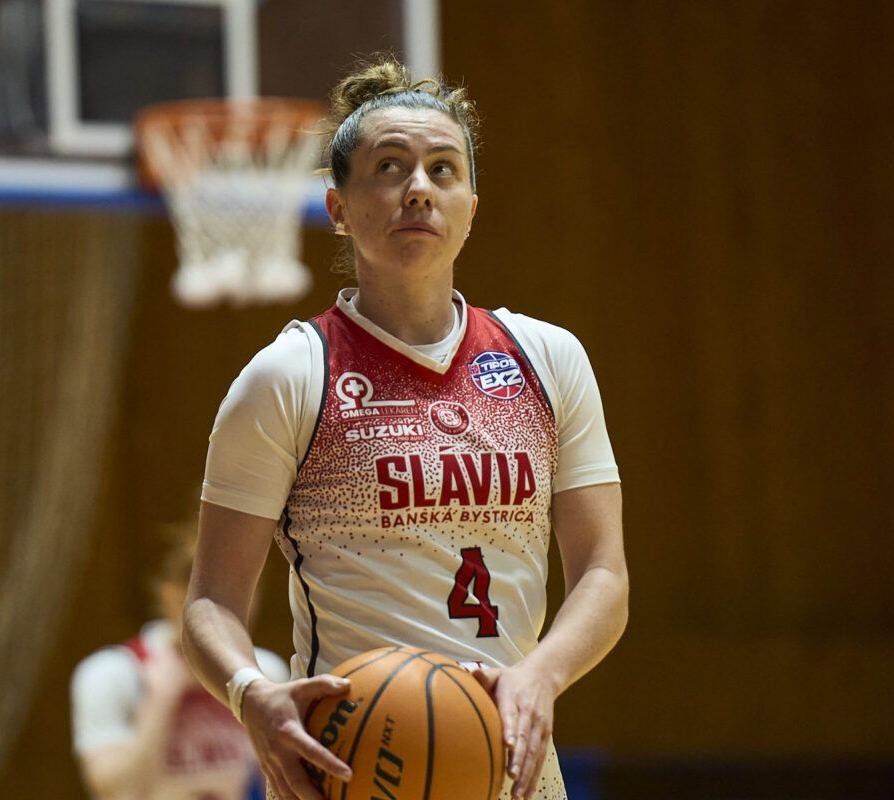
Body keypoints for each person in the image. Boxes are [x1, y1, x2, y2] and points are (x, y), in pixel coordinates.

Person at [181, 56, 629, 800]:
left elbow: (604, 574)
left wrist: (542, 675)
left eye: (443, 169)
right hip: (354, 768)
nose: (419, 187)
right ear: (338, 207)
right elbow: (210, 602)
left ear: (471, 207)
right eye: (390, 167)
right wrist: (248, 692)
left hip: (515, 768)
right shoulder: (290, 376)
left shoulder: (549, 358)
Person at [71, 525, 290, 800]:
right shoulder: (110, 673)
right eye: (225, 593)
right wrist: (161, 699)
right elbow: (116, 792)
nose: (243, 605)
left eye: (249, 590)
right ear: (173, 596)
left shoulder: (266, 670)